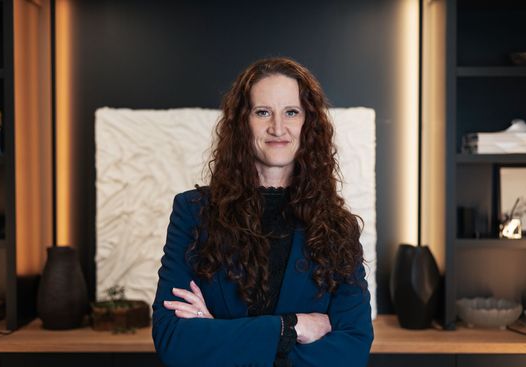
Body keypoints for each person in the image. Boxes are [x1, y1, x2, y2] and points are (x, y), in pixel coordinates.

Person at [152, 57, 373, 367]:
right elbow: (173, 341)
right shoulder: (193, 212)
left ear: (308, 123)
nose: (277, 127)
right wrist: (290, 327)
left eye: (292, 112)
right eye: (263, 112)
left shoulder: (339, 228)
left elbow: (352, 350)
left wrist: (219, 332)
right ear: (243, 122)